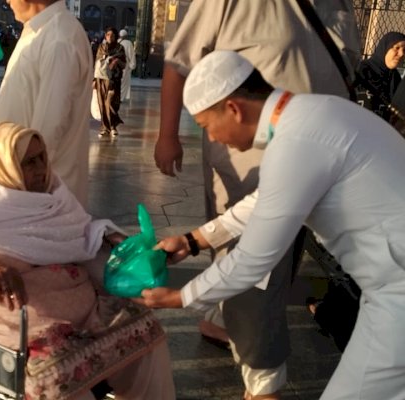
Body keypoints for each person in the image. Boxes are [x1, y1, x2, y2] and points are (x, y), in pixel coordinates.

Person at [142, 50, 405, 400]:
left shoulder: (296, 141)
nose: (215, 139)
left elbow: (254, 259)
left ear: (234, 108)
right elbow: (267, 202)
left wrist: (182, 296)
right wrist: (195, 240)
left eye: (207, 127)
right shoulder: (312, 115)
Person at [0, 122, 176, 400]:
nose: (42, 169)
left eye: (42, 157)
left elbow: (79, 230)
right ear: (3, 165)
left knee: (146, 332)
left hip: (76, 307)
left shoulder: (51, 195)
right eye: (29, 162)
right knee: (57, 373)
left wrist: (112, 239)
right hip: (14, 317)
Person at [0, 0, 93, 207]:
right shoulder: (40, 31)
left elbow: (50, 126)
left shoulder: (59, 37)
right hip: (23, 189)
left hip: (41, 195)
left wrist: (25, 185)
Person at [355, 31, 405, 121]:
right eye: (396, 48)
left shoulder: (395, 78)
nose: (401, 54)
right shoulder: (362, 71)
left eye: (404, 50)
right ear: (385, 48)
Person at [94, 27, 126, 137]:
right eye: (108, 35)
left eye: (112, 35)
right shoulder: (101, 47)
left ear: (116, 36)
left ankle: (113, 126)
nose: (110, 37)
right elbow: (97, 63)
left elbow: (124, 64)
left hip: (114, 80)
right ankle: (104, 127)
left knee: (111, 103)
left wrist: (116, 61)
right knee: (102, 103)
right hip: (101, 79)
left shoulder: (120, 48)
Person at [118, 29, 136, 102]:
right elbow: (131, 55)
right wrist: (132, 65)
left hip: (117, 64)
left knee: (118, 81)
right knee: (123, 82)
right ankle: (120, 98)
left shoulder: (117, 42)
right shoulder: (128, 43)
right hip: (124, 64)